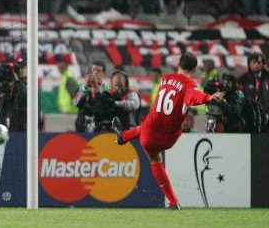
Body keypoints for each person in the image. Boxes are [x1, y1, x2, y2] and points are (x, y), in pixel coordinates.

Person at [111, 52, 224, 210]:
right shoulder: (189, 84)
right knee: (156, 137)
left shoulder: (166, 78)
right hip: (170, 137)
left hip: (150, 134)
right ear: (194, 68)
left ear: (178, 64)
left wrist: (206, 97)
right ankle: (173, 203)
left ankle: (123, 136)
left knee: (148, 135)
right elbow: (195, 96)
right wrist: (209, 98)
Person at [238, 52, 269, 132]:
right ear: (249, 64)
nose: (256, 65)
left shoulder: (267, 78)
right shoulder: (242, 79)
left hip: (266, 116)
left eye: (259, 62)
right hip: (248, 117)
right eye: (254, 62)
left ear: (263, 64)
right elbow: (239, 98)